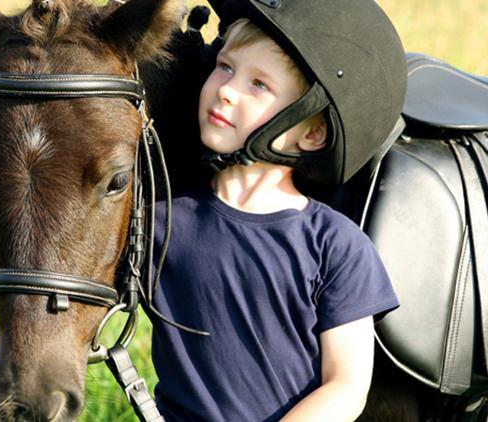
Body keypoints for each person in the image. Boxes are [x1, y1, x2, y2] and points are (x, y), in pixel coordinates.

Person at [150, 1, 407, 420]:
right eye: (225, 66)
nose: (227, 89)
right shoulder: (163, 221)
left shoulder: (336, 246)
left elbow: (346, 385)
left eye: (259, 84)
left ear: (313, 131)